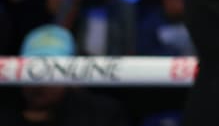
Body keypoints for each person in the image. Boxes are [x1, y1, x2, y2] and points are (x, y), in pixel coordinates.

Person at [0, 24, 129, 126]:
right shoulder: (6, 114)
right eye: (31, 71)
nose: (38, 82)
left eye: (52, 71)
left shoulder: (102, 115)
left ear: (71, 74)